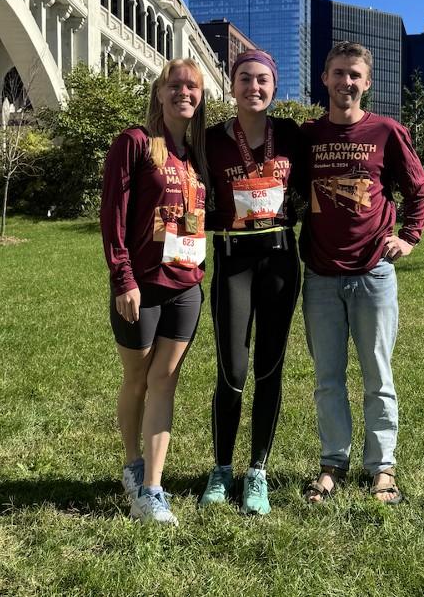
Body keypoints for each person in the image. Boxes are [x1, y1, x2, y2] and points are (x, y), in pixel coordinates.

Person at [299, 41, 424, 506]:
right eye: (338, 73)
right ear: (325, 79)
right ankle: (332, 463)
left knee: (378, 375)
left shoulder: (386, 131)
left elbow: (418, 187)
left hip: (373, 272)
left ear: (367, 82)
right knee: (327, 378)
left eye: (354, 74)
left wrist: (409, 237)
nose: (345, 82)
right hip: (319, 276)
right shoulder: (308, 136)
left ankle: (383, 468)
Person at [100, 58, 209, 525]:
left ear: (200, 97)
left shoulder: (199, 157)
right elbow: (113, 215)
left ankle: (152, 489)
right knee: (138, 380)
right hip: (141, 287)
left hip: (187, 285)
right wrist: (122, 278)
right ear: (159, 93)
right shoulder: (135, 143)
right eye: (175, 85)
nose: (183, 92)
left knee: (166, 382)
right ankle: (132, 464)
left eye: (192, 86)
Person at [199, 50, 307, 515]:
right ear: (232, 84)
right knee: (233, 369)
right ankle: (222, 468)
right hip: (232, 260)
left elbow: (320, 184)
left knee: (270, 367)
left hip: (281, 260)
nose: (254, 87)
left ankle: (257, 470)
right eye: (245, 79)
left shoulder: (291, 136)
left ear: (274, 85)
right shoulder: (210, 140)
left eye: (263, 79)